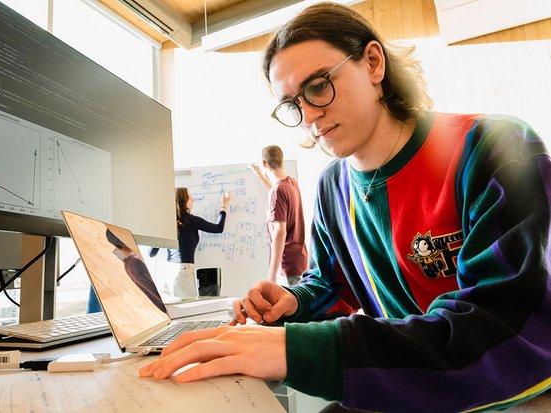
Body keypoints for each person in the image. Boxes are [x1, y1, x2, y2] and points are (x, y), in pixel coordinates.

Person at [140, 3, 551, 412]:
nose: (309, 116)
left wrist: (293, 351)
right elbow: (332, 285)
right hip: (412, 382)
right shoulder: (333, 186)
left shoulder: (493, 148)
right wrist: (294, 303)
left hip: (514, 392)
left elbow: (506, 324)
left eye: (318, 86)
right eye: (292, 105)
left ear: (373, 63)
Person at [150, 187, 230, 298]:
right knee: (190, 308)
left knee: (172, 310)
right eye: (189, 197)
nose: (192, 199)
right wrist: (224, 205)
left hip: (166, 272)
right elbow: (218, 228)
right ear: (183, 201)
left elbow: (151, 253)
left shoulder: (167, 222)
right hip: (183, 271)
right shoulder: (192, 220)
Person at [250, 145, 308, 285]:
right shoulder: (291, 183)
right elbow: (276, 198)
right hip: (299, 260)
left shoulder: (278, 191)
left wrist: (272, 274)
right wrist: (260, 175)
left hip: (288, 266)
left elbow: (280, 232)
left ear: (264, 163)